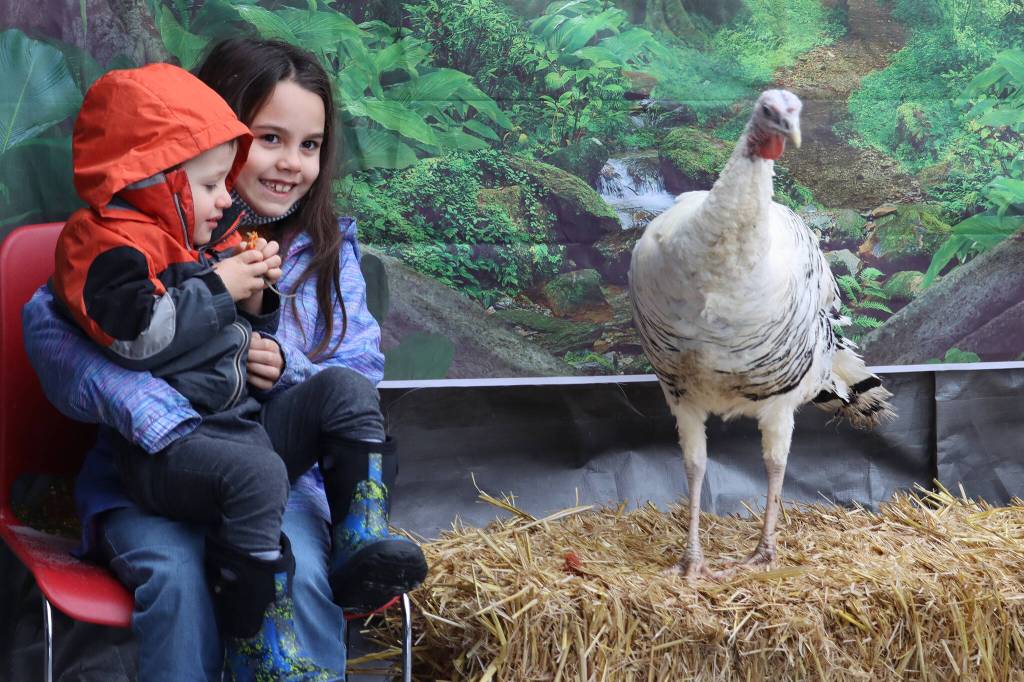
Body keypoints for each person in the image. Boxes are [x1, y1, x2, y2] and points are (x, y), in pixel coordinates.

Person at [23, 39, 427, 681]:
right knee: (178, 577)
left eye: (310, 145)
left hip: (273, 469)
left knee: (302, 565)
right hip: (160, 469)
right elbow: (54, 331)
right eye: (269, 139)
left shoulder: (325, 255)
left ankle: (347, 562)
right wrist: (167, 413)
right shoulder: (138, 239)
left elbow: (357, 375)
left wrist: (279, 361)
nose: (290, 164)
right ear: (210, 139)